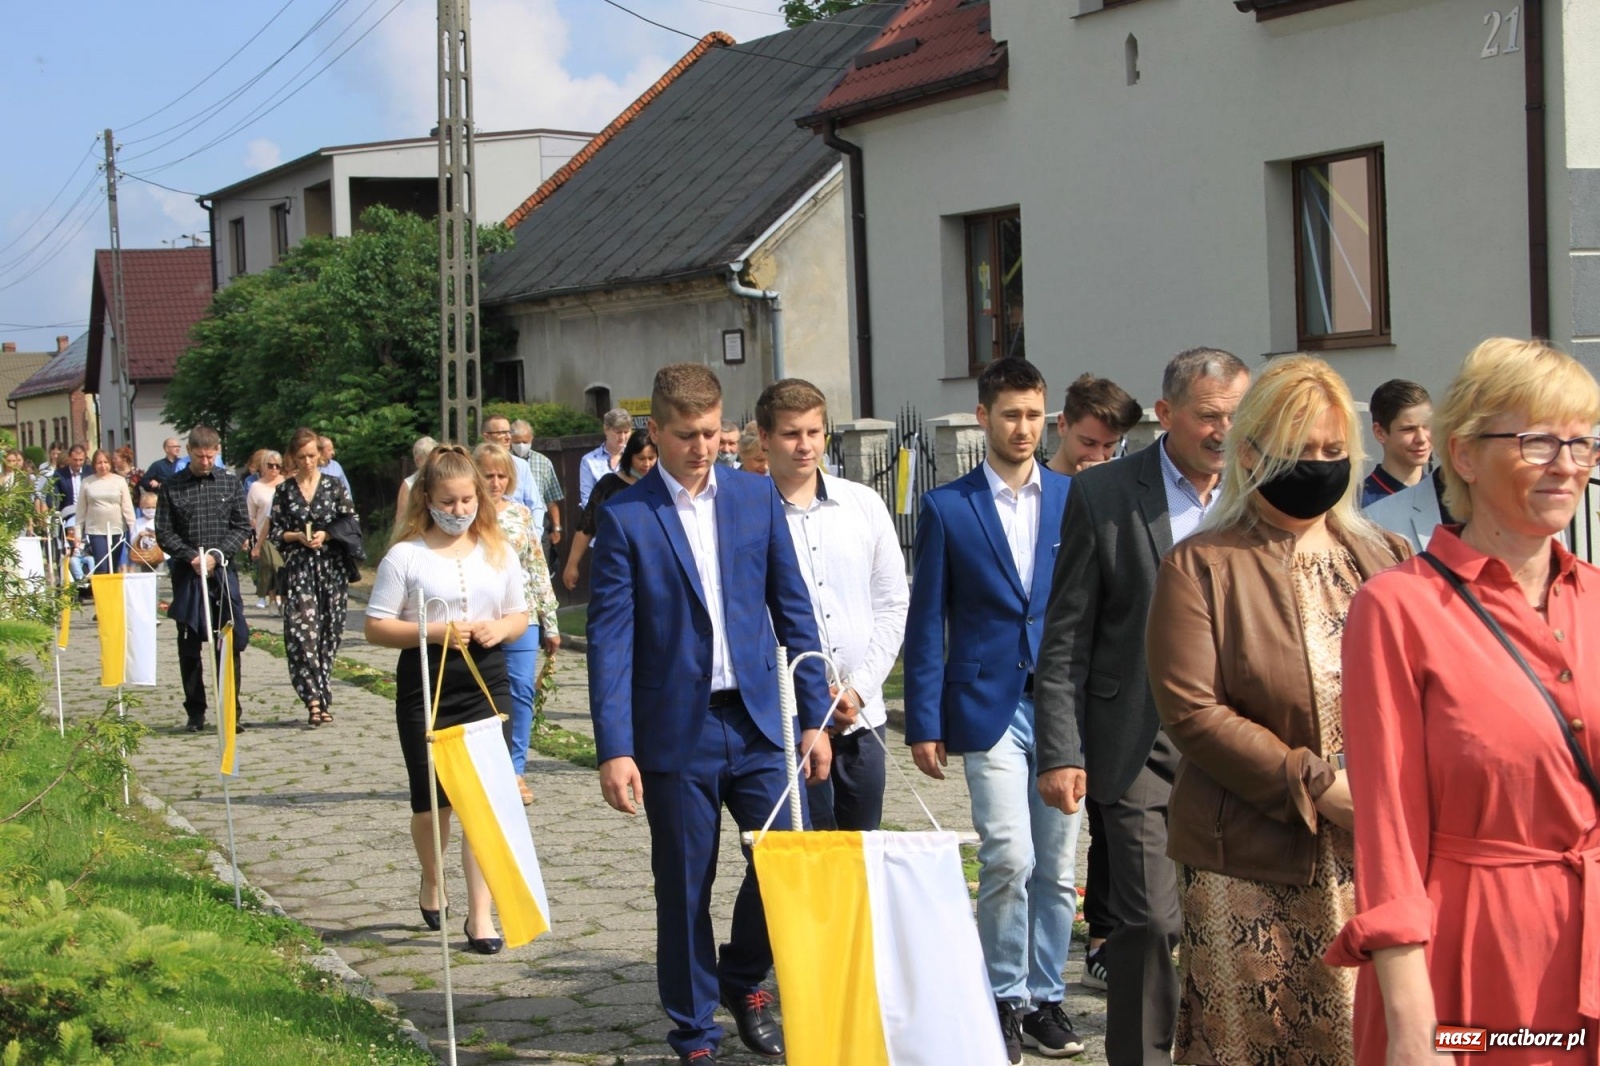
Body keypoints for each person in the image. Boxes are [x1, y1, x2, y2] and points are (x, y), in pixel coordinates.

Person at [1326, 338, 1600, 1064]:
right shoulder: (1397, 609)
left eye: (1583, 442)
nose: (1567, 464)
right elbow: (1387, 829)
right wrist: (1415, 1022)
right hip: (1475, 954)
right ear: (1466, 456)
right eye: (1538, 440)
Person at [1146, 355, 1409, 1062]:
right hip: (1248, 860)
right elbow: (1193, 712)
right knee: (1263, 1040)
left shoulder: (1385, 556)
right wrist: (1318, 785)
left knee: (1372, 1037)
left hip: (1374, 853)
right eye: (1301, 451)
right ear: (1255, 451)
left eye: (1333, 451)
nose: (1319, 466)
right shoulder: (1201, 565)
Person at [587, 363, 832, 1064]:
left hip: (759, 722)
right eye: (688, 435)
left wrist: (812, 718)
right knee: (686, 885)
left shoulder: (756, 499)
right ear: (655, 433)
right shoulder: (627, 518)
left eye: (714, 433)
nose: (703, 447)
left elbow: (795, 613)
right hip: (676, 733)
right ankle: (694, 1033)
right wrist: (615, 747)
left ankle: (742, 975)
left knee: (789, 862)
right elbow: (608, 642)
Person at [1034, 347, 1251, 1066]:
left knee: (1227, 927)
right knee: (1150, 923)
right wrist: (1062, 751)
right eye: (1209, 416)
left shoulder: (1259, 493)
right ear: (1167, 415)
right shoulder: (1105, 494)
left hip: (1237, 743)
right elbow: (1066, 635)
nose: (1224, 431)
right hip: (1139, 742)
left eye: (1235, 416)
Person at [905, 357, 1084, 1062]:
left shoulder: (1074, 499)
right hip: (986, 706)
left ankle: (1047, 999)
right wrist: (924, 720)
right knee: (1009, 853)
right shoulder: (950, 507)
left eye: (1034, 415)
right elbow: (928, 622)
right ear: (983, 418)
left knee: (1059, 862)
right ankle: (1003, 997)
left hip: (1063, 707)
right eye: (1010, 414)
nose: (1023, 428)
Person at [364, 445, 528, 954]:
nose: (460, 511)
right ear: (426, 501)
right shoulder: (405, 556)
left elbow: (518, 614)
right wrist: (434, 632)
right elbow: (375, 626)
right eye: (449, 502)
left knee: (482, 803)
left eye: (467, 501)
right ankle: (432, 879)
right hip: (426, 684)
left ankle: (481, 914)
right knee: (432, 801)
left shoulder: (498, 550)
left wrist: (497, 627)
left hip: (486, 681)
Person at [759, 378, 908, 833]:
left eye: (814, 432)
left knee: (862, 850)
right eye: (791, 433)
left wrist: (858, 688)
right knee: (807, 852)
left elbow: (892, 603)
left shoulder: (862, 504)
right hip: (787, 720)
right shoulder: (748, 513)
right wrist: (806, 699)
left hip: (861, 713)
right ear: (765, 438)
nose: (805, 446)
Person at [1042, 370, 1144, 985]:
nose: (1098, 458)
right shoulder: (1045, 491)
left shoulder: (1118, 494)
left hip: (1105, 678)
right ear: (1064, 428)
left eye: (1110, 449)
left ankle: (1104, 935)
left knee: (1113, 819)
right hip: (1049, 669)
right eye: (1089, 444)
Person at [474, 441, 561, 806]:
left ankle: (516, 769)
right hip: (480, 616)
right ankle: (485, 767)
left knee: (522, 690)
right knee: (485, 694)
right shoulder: (467, 514)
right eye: (488, 475)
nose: (495, 483)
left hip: (522, 614)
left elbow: (538, 567)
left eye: (501, 476)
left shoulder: (523, 515)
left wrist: (551, 621)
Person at [154, 426, 251, 733]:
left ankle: (230, 712)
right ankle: (196, 712)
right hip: (187, 574)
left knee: (229, 642)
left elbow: (241, 527)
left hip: (222, 572)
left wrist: (216, 555)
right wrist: (190, 556)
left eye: (211, 456)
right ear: (189, 452)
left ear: (217, 451)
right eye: (200, 456)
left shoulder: (229, 482)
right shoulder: (172, 486)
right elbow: (164, 532)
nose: (206, 462)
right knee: (189, 645)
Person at [272, 427, 357, 728]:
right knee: (302, 633)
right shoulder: (284, 490)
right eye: (301, 457)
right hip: (299, 570)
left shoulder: (334, 486)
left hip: (331, 569)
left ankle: (323, 691)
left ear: (320, 455)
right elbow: (274, 532)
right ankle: (313, 700)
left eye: (312, 455)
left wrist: (328, 533)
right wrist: (297, 536)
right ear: (292, 458)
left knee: (328, 635)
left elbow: (350, 522)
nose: (307, 462)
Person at [561, 428, 656, 592]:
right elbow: (586, 525)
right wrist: (572, 564)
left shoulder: (662, 485)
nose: (646, 464)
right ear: (629, 457)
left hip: (653, 565)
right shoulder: (609, 484)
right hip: (615, 565)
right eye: (641, 458)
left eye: (651, 458)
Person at [1047, 373, 1144, 478]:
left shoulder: (1122, 485)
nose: (1099, 457)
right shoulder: (1034, 486)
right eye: (1088, 443)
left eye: (1108, 445)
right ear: (1062, 426)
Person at [1360, 379, 1433, 506]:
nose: (1421, 438)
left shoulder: (1447, 499)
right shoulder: (1357, 507)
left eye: (1428, 426)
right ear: (1380, 433)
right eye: (1408, 429)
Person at [481, 415, 546, 536]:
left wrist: (535, 534)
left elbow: (536, 505)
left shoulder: (521, 466)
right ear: (486, 436)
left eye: (509, 432)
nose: (508, 437)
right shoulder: (474, 464)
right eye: (502, 433)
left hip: (518, 535)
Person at [509, 419, 565, 553]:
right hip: (512, 519)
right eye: (517, 442)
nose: (521, 445)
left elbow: (551, 499)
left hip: (539, 520)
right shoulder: (504, 460)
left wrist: (556, 527)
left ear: (531, 439)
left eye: (525, 442)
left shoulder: (543, 462)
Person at [78, 448, 135, 576]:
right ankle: (101, 594)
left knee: (113, 567)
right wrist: (77, 532)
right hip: (96, 529)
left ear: (110, 463)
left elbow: (127, 507)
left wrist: (133, 529)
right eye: (99, 462)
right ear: (94, 465)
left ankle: (112, 594)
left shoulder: (119, 481)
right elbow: (81, 510)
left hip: (117, 529)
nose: (103, 465)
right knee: (102, 565)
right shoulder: (87, 482)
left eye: (105, 462)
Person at [247, 450, 286, 610]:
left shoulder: (286, 483)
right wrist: (253, 532)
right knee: (272, 565)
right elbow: (250, 514)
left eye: (278, 466)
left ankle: (281, 599)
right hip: (265, 534)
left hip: (285, 533)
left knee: (283, 567)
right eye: (270, 465)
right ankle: (272, 599)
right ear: (263, 466)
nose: (274, 469)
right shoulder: (256, 487)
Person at [578, 408, 635, 508]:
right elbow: (586, 499)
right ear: (606, 429)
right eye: (618, 432)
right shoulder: (589, 461)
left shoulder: (636, 457)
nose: (622, 437)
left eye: (626, 432)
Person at [394, 435, 438, 520]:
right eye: (428, 458)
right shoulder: (409, 485)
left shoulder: (444, 479)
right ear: (418, 460)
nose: (433, 462)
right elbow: (401, 519)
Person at [317, 435, 353, 504]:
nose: (333, 453)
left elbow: (346, 489)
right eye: (329, 450)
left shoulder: (336, 466)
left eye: (332, 449)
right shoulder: (311, 468)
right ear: (320, 451)